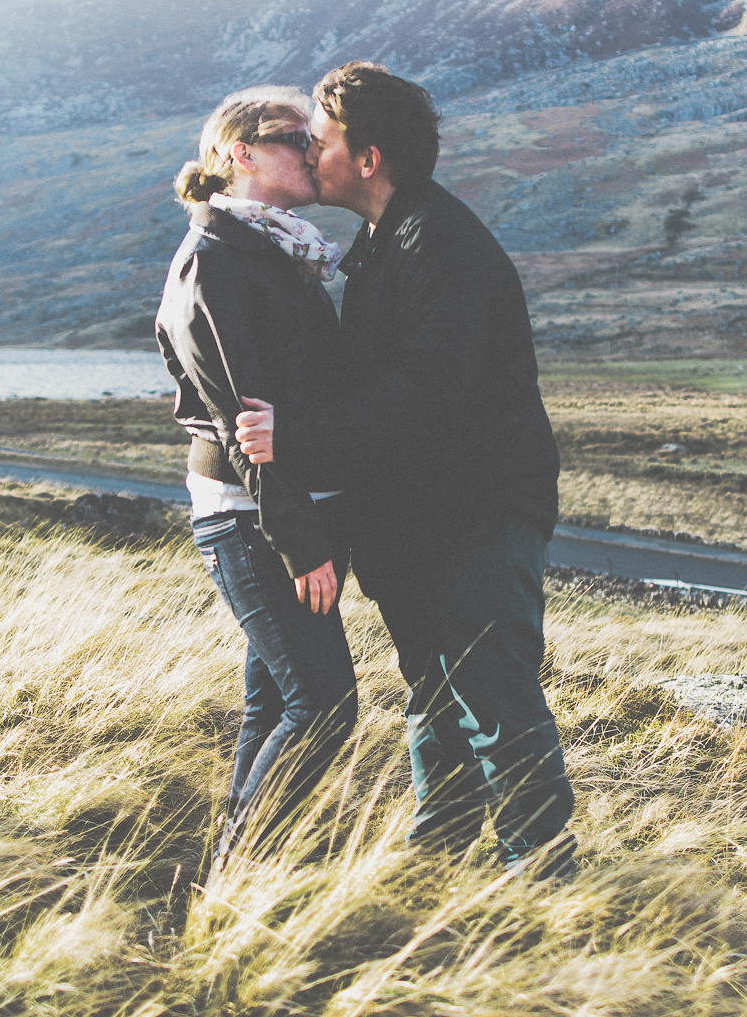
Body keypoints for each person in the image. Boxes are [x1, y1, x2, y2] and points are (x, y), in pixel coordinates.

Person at [235, 61, 575, 880]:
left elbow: (424, 394)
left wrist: (296, 436)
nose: (308, 152)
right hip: (419, 522)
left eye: (319, 139)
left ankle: (545, 880)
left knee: (495, 700)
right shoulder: (387, 243)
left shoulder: (440, 244)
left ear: (369, 156)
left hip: (476, 517)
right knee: (434, 694)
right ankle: (436, 863)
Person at [155, 87, 357, 869]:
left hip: (277, 508)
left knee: (273, 700)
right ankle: (244, 869)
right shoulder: (217, 264)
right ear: (239, 153)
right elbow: (249, 428)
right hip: (254, 514)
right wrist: (300, 541)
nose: (313, 150)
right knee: (325, 703)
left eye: (313, 138)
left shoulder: (270, 251)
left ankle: (228, 881)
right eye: (292, 139)